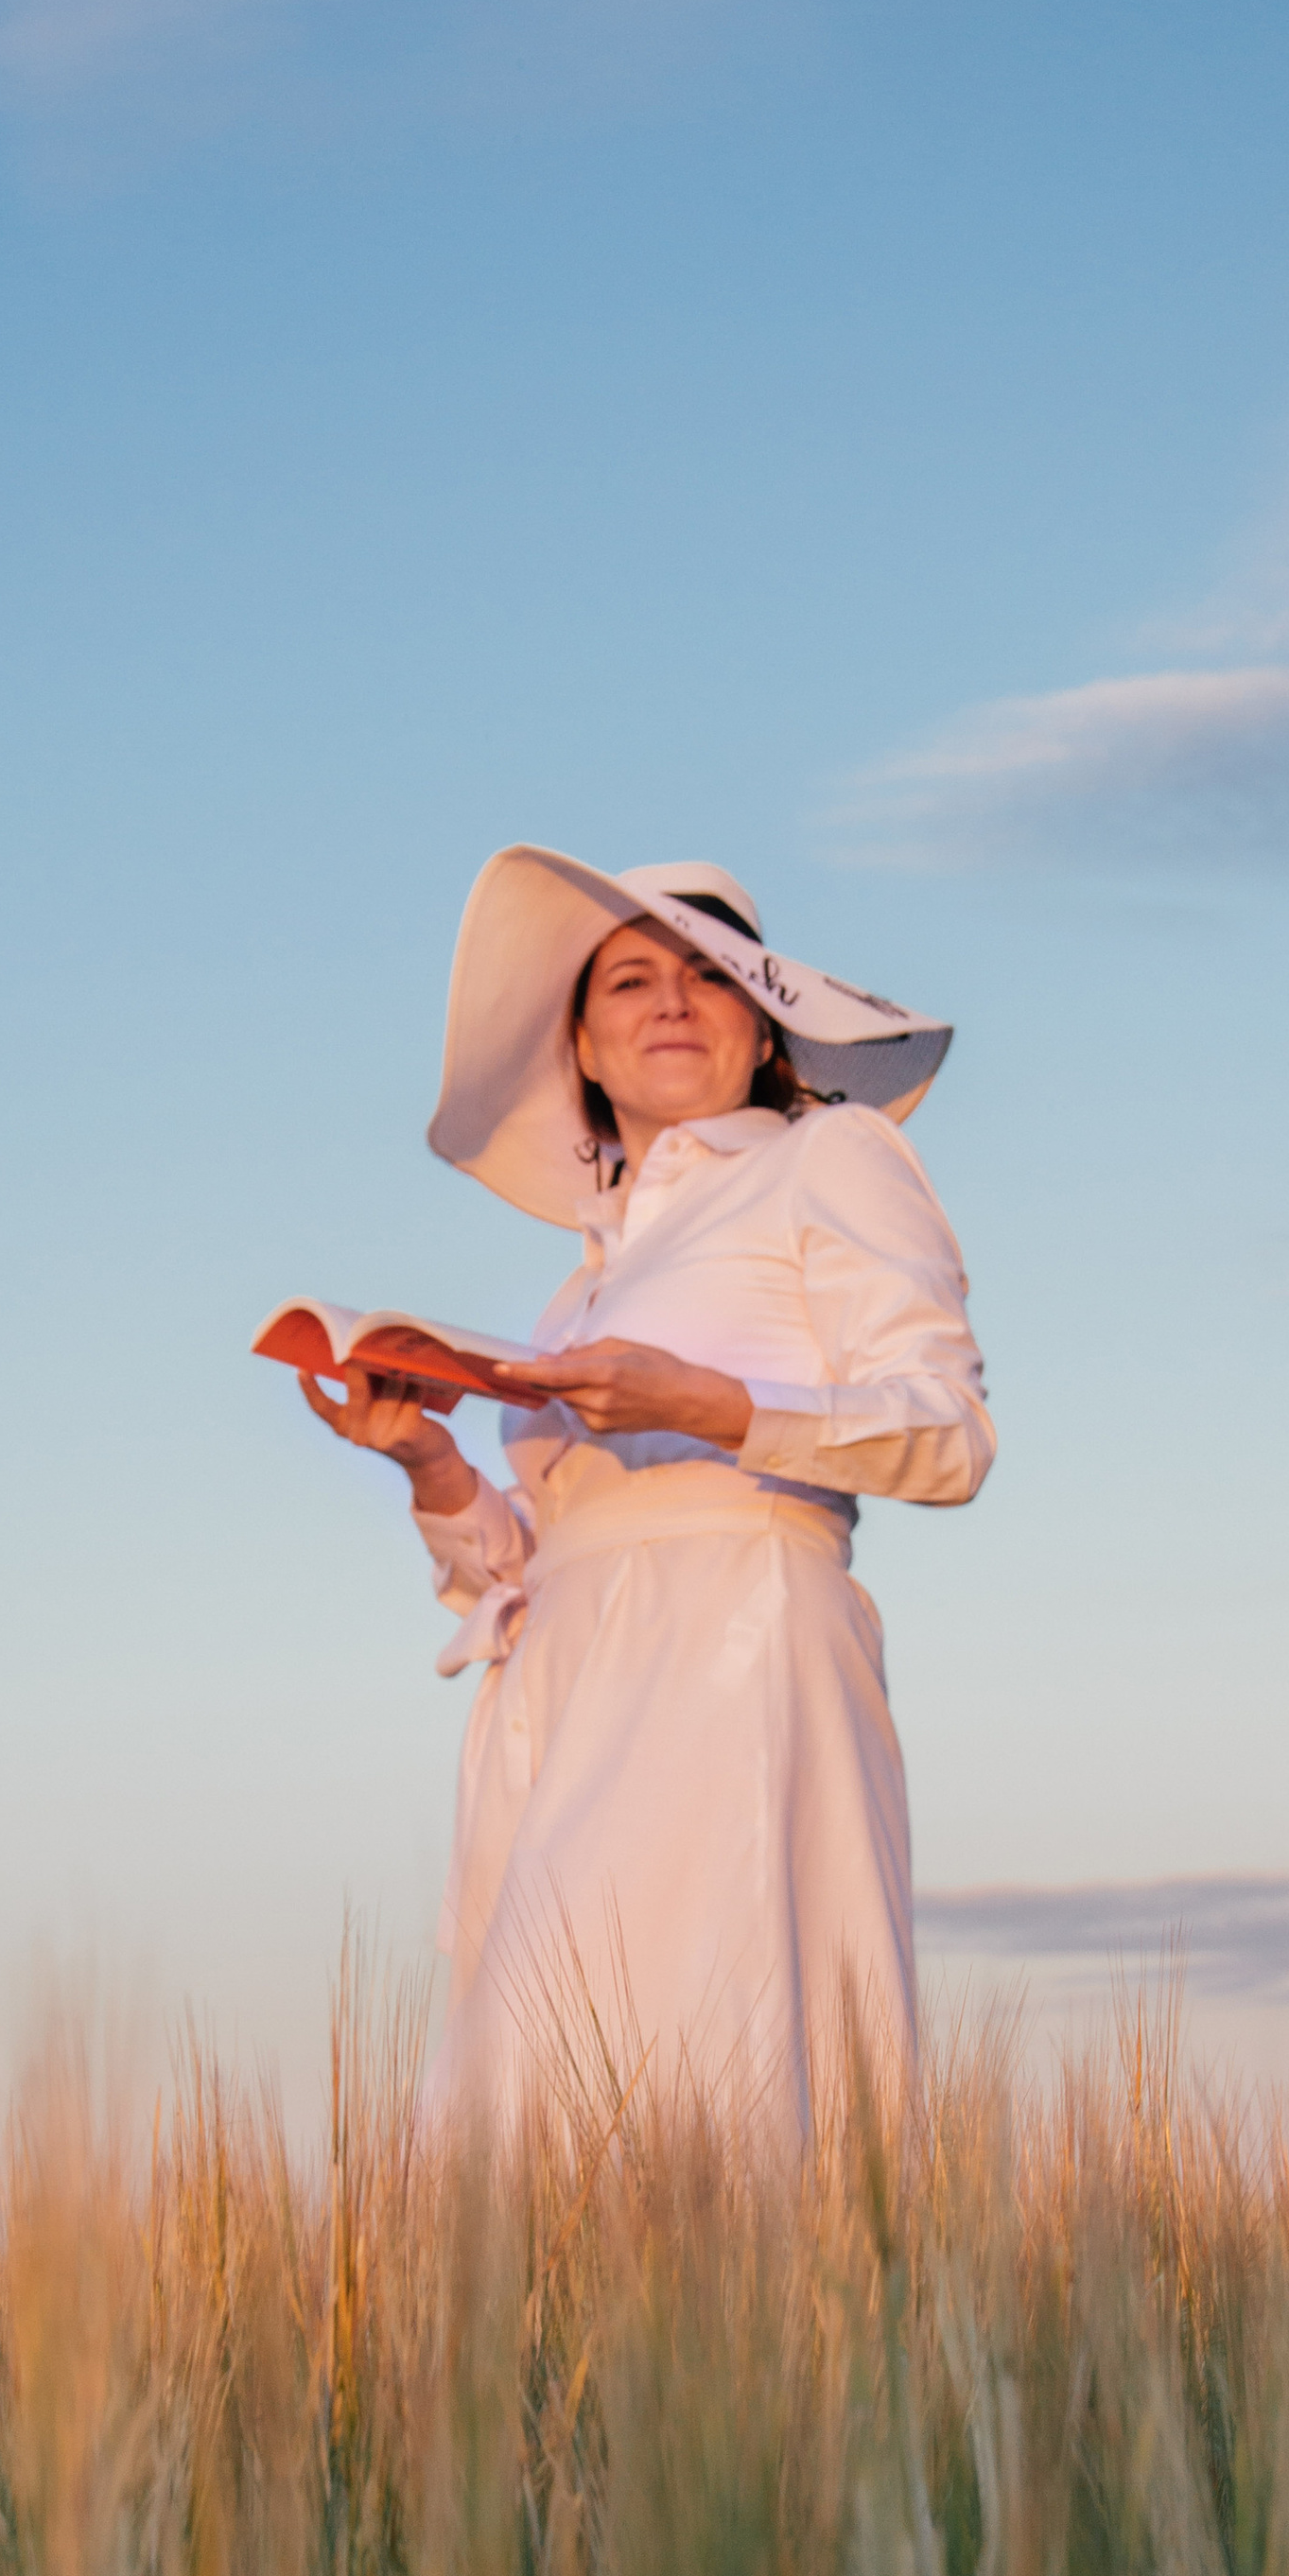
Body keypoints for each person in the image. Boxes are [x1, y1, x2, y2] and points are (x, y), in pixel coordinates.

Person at [300, 844, 995, 2134]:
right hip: (574, 1687)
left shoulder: (829, 1158)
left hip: (738, 1656)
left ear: (764, 1027)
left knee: (717, 2082)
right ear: (587, 1049)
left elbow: (948, 1433)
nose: (673, 999)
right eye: (631, 980)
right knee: (539, 2123)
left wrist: (708, 1405)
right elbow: (551, 1556)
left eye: (711, 974)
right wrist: (431, 1461)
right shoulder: (587, 1278)